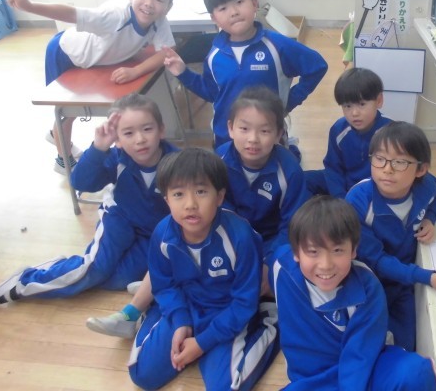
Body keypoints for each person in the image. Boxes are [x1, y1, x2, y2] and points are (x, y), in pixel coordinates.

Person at [86, 86, 308, 337]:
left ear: (279, 134)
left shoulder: (289, 170)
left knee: (283, 274)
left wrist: (268, 260)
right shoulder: (219, 160)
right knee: (178, 242)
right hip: (225, 234)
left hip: (267, 243)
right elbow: (212, 208)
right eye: (244, 129)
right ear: (230, 128)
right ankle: (132, 311)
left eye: (264, 131)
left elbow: (293, 226)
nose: (253, 139)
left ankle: (168, 290)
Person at [0, 94, 178, 314]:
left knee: (118, 280)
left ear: (161, 130)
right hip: (119, 219)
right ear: (118, 140)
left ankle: (61, 268)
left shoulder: (177, 163)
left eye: (147, 129)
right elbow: (81, 182)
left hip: (151, 232)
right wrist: (98, 148)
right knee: (94, 269)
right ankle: (24, 282)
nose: (140, 139)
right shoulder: (116, 157)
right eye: (128, 133)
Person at [0, 0, 177, 174]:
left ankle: (56, 135)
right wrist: (29, 6)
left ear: (168, 6)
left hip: (97, 62)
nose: (149, 3)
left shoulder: (159, 21)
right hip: (66, 53)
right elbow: (72, 14)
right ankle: (63, 159)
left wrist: (136, 71)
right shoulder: (115, 16)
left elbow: (167, 52)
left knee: (72, 111)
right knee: (66, 111)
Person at [128, 148, 279, 390]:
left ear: (219, 197)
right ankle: (160, 318)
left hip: (227, 312)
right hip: (187, 305)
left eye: (201, 192)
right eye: (178, 194)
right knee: (141, 374)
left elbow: (244, 302)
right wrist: (180, 321)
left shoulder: (240, 237)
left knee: (227, 387)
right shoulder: (162, 234)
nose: (190, 204)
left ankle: (268, 324)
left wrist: (202, 343)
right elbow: (164, 285)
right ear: (167, 200)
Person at [270, 195, 436, 390]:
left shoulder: (367, 289)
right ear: (296, 253)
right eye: (313, 252)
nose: (325, 265)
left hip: (365, 369)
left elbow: (360, 356)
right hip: (312, 380)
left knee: (415, 373)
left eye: (337, 251)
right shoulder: (281, 267)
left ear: (353, 251)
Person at [163, 0, 328, 149]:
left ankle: (291, 151)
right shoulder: (214, 55)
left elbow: (317, 66)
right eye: (223, 8)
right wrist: (183, 73)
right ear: (214, 18)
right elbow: (213, 93)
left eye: (239, 2)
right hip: (226, 139)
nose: (233, 12)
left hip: (266, 139)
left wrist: (288, 102)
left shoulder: (276, 45)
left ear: (255, 3)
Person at [345, 121, 436, 351]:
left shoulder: (426, 186)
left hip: (404, 279)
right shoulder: (358, 201)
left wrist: (430, 218)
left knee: (409, 342)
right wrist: (426, 277)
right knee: (366, 341)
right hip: (368, 279)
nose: (387, 169)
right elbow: (376, 260)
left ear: (421, 169)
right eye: (380, 159)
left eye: (399, 162)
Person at [305, 67, 392, 198]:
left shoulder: (391, 133)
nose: (354, 113)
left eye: (362, 104)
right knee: (302, 179)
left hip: (373, 189)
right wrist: (340, 198)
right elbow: (333, 168)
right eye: (347, 106)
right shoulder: (339, 129)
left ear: (379, 101)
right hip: (345, 183)